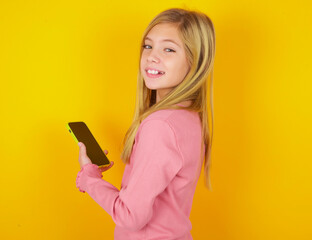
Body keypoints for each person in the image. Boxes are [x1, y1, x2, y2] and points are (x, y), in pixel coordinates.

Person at [76, 7, 215, 240]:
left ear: (195, 62)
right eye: (148, 46)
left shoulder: (160, 126)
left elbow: (131, 216)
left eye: (169, 49)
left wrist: (89, 178)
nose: (152, 56)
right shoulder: (190, 117)